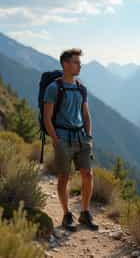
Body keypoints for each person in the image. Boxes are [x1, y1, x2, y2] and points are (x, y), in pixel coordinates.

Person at [43, 48, 98, 231]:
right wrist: (56, 139)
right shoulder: (53, 88)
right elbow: (47, 118)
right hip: (63, 138)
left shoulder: (81, 88)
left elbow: (87, 115)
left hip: (82, 137)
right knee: (64, 177)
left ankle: (85, 212)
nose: (79, 65)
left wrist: (89, 136)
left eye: (79, 62)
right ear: (65, 64)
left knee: (88, 174)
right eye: (76, 62)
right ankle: (67, 214)